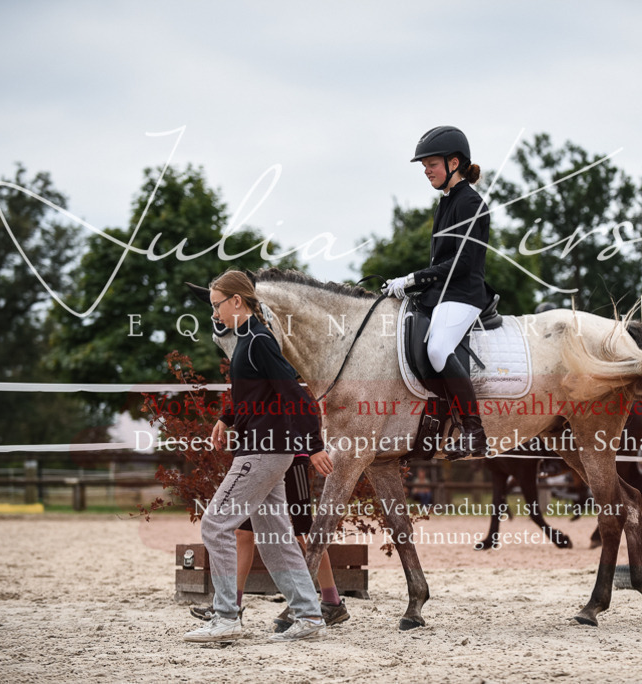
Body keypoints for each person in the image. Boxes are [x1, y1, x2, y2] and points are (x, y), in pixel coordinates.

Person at [183, 269, 329, 643]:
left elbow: (296, 395)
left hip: (264, 451)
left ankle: (226, 616)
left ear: (237, 300)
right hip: (262, 448)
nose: (214, 315)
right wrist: (226, 417)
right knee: (276, 538)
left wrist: (313, 445)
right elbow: (253, 392)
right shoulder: (244, 340)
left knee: (215, 524)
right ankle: (309, 616)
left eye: (217, 306)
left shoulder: (259, 340)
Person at [384, 125, 491, 458]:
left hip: (465, 293)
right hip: (443, 294)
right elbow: (441, 260)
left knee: (438, 348)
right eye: (424, 166)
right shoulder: (446, 203)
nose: (426, 170)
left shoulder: (471, 203)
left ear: (454, 162)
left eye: (431, 163)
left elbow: (461, 264)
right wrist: (407, 283)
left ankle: (475, 431)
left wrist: (413, 278)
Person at [188, 455, 349, 631]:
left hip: (292, 456)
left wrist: (315, 447)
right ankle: (233, 606)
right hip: (260, 461)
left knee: (304, 530)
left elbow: (308, 426)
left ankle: (332, 600)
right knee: (242, 531)